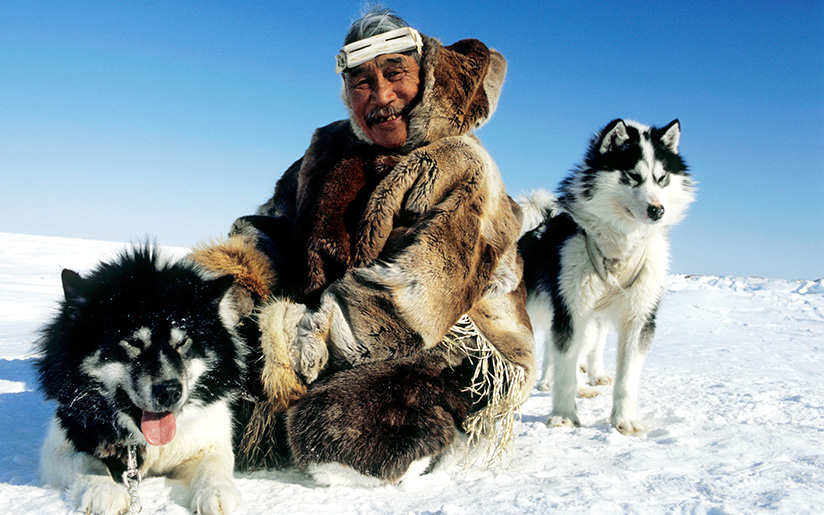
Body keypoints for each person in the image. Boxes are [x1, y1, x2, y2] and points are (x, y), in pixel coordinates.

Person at [192, 7, 535, 484]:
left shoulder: (465, 164)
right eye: (361, 84)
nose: (381, 96)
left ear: (426, 76)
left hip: (454, 338)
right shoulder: (328, 149)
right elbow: (274, 227)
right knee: (215, 396)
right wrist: (230, 286)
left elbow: (415, 296)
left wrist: (306, 339)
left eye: (397, 75)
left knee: (341, 428)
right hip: (336, 320)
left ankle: (443, 436)